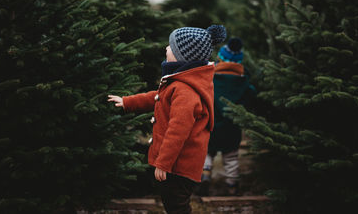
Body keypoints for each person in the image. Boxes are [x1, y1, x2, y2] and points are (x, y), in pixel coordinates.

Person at [108, 25, 226, 213]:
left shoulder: (185, 91)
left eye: (171, 47)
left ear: (184, 57)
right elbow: (158, 97)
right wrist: (128, 102)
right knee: (173, 204)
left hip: (179, 166)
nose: (166, 49)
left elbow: (177, 132)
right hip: (176, 164)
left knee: (177, 206)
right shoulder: (181, 82)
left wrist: (164, 164)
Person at [199, 37, 255, 196]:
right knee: (231, 157)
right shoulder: (244, 82)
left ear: (220, 59)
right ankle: (232, 185)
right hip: (232, 128)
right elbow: (251, 96)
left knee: (207, 152)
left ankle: (205, 175)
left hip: (211, 125)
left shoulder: (210, 78)